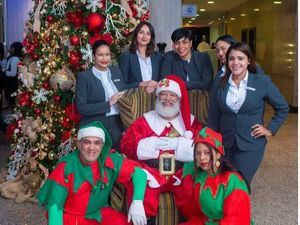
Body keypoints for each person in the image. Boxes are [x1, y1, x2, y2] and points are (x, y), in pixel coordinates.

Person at [120, 75, 203, 221]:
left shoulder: (190, 122)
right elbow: (126, 145)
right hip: (151, 171)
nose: (167, 98)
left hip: (181, 172)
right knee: (143, 200)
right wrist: (151, 144)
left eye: (172, 95)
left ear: (179, 99)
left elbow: (203, 147)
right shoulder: (145, 121)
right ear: (157, 97)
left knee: (193, 197)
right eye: (163, 94)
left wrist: (179, 145)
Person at [207, 42, 289, 189]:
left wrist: (269, 129)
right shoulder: (220, 82)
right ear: (226, 61)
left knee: (240, 183)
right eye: (231, 58)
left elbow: (282, 107)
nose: (235, 62)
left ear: (248, 61)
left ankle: (238, 212)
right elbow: (214, 115)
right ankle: (227, 212)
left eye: (240, 58)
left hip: (251, 144)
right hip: (225, 143)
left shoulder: (261, 82)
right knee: (223, 183)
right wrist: (210, 143)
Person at [38, 121, 147, 225]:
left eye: (97, 143)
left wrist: (137, 201)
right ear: (79, 144)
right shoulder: (66, 167)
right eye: (87, 142)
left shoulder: (109, 160)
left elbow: (138, 173)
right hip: (72, 218)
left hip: (99, 213)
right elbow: (55, 207)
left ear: (102, 146)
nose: (92, 147)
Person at [178, 127, 254, 225]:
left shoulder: (233, 181)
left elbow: (237, 220)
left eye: (207, 153)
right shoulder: (200, 173)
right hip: (205, 222)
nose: (202, 158)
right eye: (198, 153)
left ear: (218, 154)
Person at [75, 40, 125, 149]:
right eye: (100, 55)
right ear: (94, 56)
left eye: (107, 54)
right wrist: (108, 104)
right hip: (95, 126)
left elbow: (124, 95)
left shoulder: (117, 72)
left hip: (117, 125)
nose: (104, 58)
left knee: (116, 162)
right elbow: (81, 108)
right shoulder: (84, 77)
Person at [119, 21, 163, 93]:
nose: (144, 36)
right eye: (141, 32)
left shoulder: (157, 56)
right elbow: (122, 85)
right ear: (136, 34)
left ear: (151, 37)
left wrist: (156, 84)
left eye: (148, 34)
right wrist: (141, 84)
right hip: (136, 100)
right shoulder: (126, 57)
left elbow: (163, 80)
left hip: (156, 98)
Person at [2, 42, 23, 109]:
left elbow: (13, 73)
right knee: (12, 102)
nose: (10, 49)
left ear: (14, 49)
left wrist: (4, 72)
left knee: (12, 101)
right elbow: (5, 66)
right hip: (11, 83)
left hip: (12, 84)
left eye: (11, 47)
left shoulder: (15, 59)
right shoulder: (12, 57)